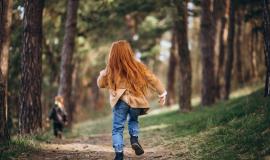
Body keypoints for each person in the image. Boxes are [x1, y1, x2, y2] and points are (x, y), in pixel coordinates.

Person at [97, 40, 167, 160]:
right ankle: (134, 139)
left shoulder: (111, 68)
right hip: (136, 102)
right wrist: (162, 93)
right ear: (128, 52)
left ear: (112, 54)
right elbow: (152, 79)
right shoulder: (137, 66)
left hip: (120, 101)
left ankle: (119, 154)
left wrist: (102, 74)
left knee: (117, 128)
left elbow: (101, 84)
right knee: (133, 119)